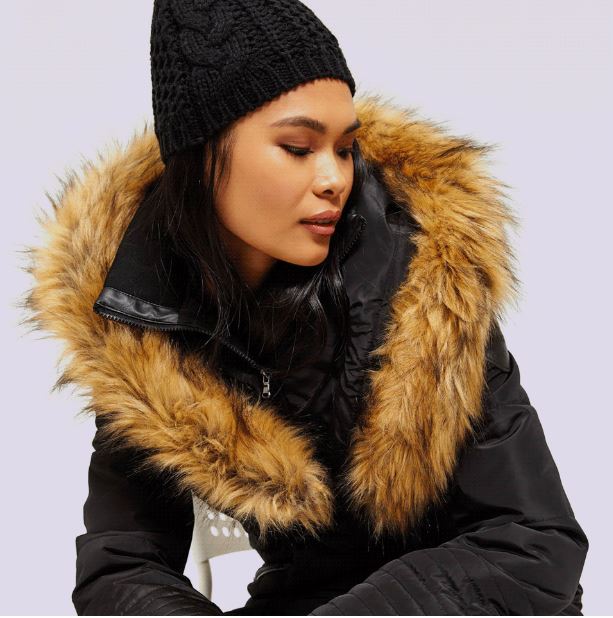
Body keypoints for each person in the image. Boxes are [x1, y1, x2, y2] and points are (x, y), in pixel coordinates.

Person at [21, 0, 589, 615]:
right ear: (201, 156)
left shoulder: (427, 281)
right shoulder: (143, 314)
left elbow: (535, 542)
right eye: (297, 147)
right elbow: (120, 564)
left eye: (345, 148)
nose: (334, 178)